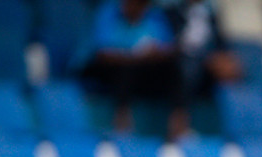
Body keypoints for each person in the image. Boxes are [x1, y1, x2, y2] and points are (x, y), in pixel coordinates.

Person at [76, 0, 188, 138]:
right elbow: (102, 54)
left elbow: (168, 49)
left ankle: (179, 127)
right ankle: (122, 124)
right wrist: (133, 57)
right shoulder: (109, 11)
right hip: (110, 70)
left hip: (142, 71)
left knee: (174, 69)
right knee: (125, 69)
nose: (135, 8)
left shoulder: (155, 15)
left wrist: (153, 54)